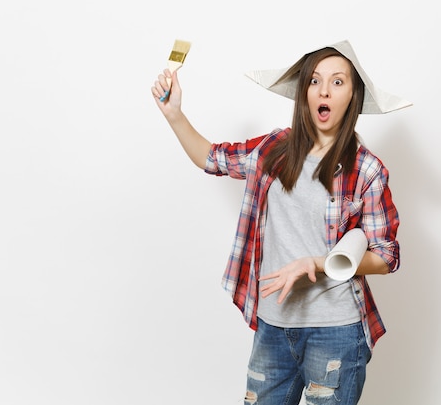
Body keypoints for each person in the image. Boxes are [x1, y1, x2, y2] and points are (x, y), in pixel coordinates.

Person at [151, 40, 411, 405]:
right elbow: (211, 158)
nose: (324, 90)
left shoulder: (366, 169)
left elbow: (386, 257)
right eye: (315, 81)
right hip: (273, 327)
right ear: (304, 91)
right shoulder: (273, 149)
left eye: (338, 82)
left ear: (353, 96)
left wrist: (318, 263)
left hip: (335, 331)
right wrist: (174, 114)